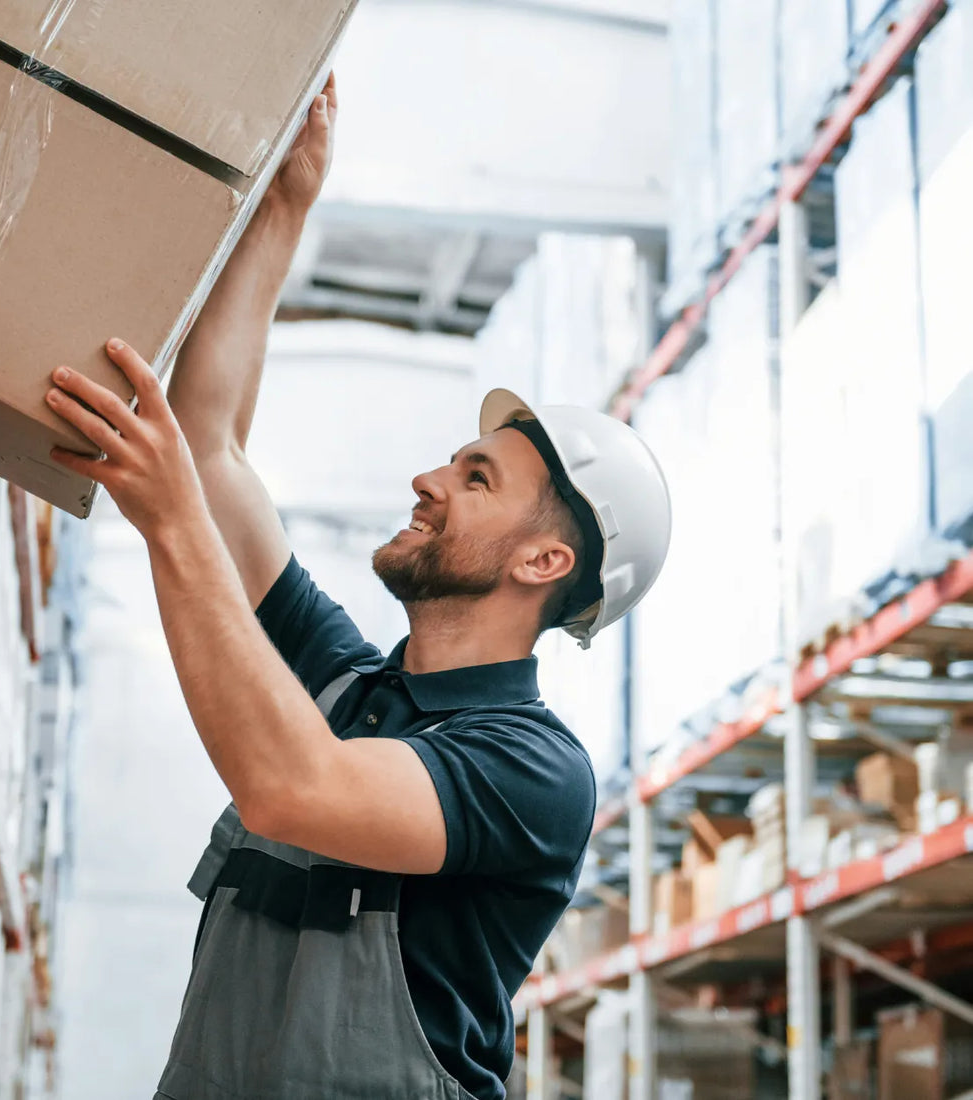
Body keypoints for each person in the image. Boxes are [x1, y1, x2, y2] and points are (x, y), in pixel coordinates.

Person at [43, 74, 671, 1100]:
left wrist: (170, 521)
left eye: (476, 479)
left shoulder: (532, 769)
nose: (428, 480)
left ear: (542, 562)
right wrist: (286, 203)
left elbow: (295, 789)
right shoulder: (342, 682)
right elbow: (208, 449)